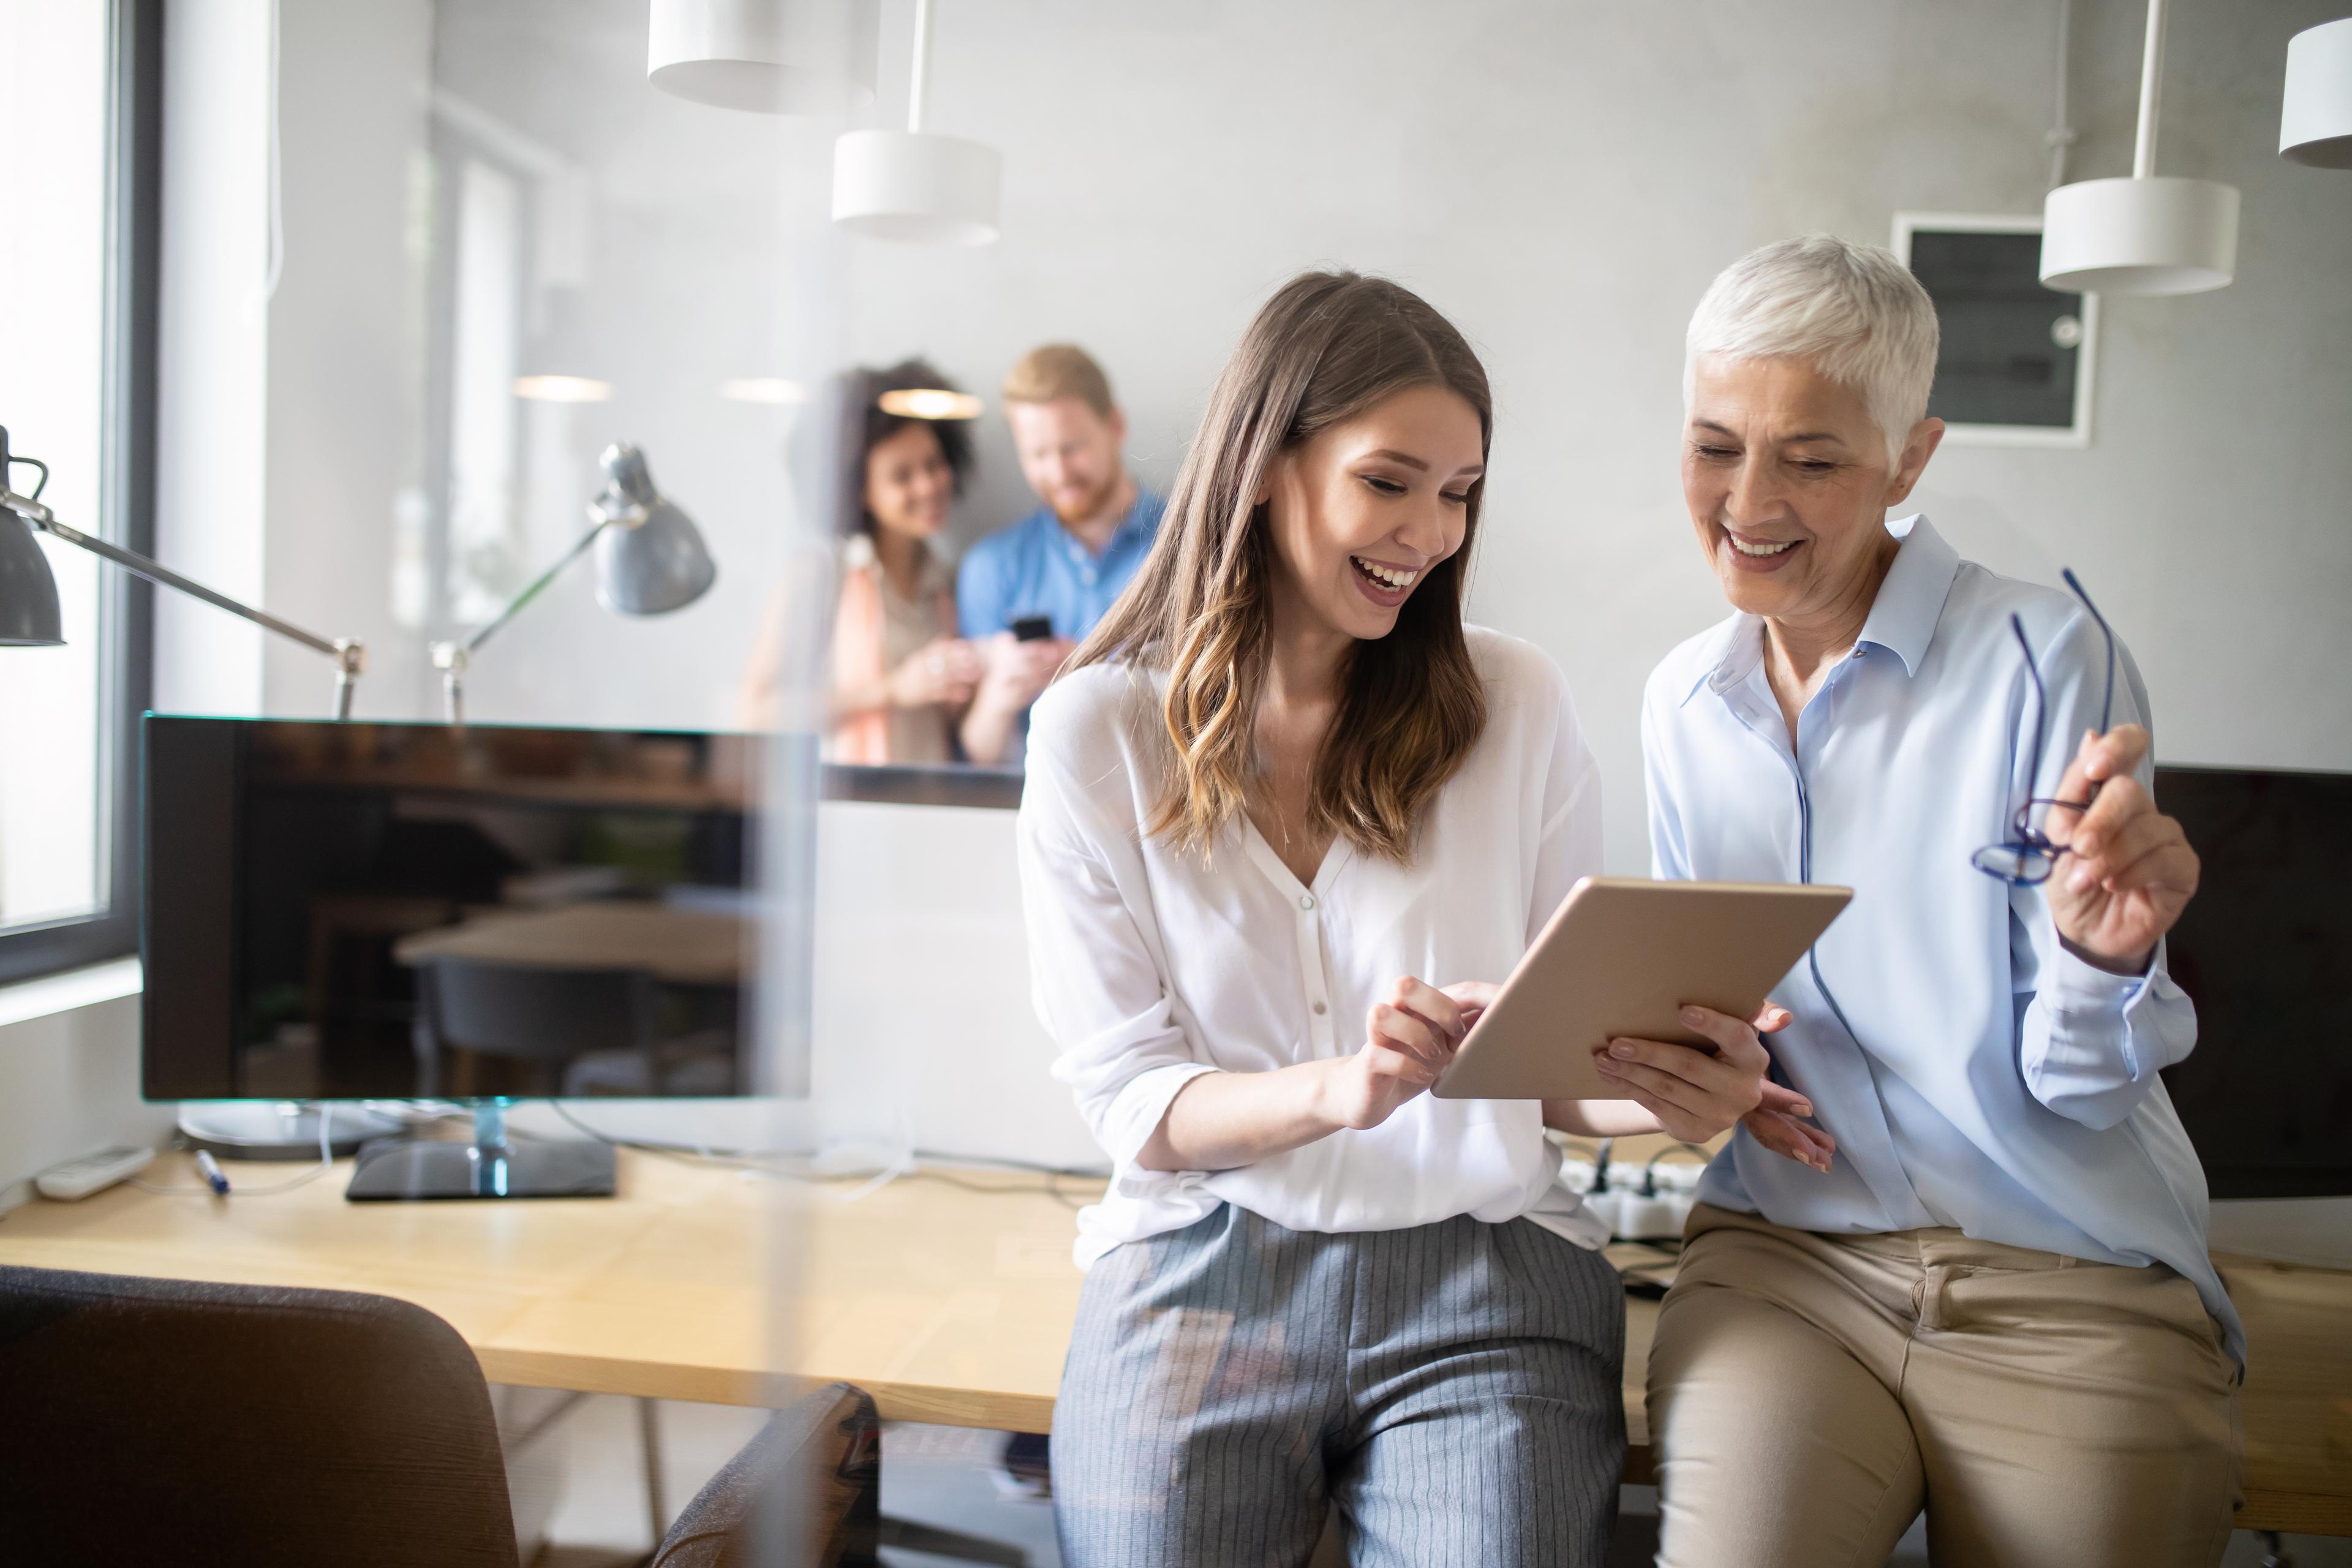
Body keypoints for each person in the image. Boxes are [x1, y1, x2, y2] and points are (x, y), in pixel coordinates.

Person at [1019, 271, 1810, 1567]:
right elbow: (1134, 1102)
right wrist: (1345, 1087)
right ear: (1268, 465)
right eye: (1390, 482)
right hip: (1199, 1271)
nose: (1430, 533)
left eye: (1459, 493)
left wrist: (1677, 1090)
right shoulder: (1094, 732)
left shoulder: (1515, 701)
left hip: (1486, 1275)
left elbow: (1559, 1071)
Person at [1640, 236, 2236, 1567]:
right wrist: (1703, 1070)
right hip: (1795, 1266)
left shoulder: (2045, 656)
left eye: (1813, 456)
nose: (1749, 499)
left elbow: (2078, 1087)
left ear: (1912, 458)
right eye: (1714, 444)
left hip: (2068, 1273)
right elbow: (1718, 1008)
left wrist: (2097, 957)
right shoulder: (1682, 701)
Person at [738, 361, 982, 761]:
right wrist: (893, 689)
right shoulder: (821, 573)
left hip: (931, 807)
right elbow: (757, 713)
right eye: (902, 476)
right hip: (847, 810)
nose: (928, 485)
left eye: (934, 465)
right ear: (860, 491)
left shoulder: (948, 584)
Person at [957, 344, 1165, 764]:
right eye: (1037, 455)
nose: (1058, 473)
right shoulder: (990, 568)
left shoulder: (1195, 549)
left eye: (1071, 448)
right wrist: (1000, 696)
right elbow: (977, 755)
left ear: (1116, 426)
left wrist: (1094, 675)